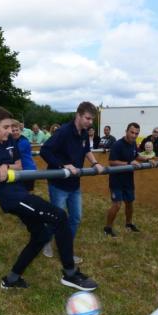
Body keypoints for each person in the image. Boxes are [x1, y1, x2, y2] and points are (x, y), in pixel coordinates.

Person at [0, 106, 98, 291]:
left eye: (11, 127)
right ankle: (70, 274)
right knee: (59, 216)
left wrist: (5, 166)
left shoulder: (10, 142)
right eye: (5, 127)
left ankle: (12, 279)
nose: (10, 131)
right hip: (11, 199)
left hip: (21, 193)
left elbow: (19, 164)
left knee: (42, 235)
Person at [39, 102, 105, 260]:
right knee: (56, 218)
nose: (90, 122)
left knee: (75, 218)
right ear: (78, 115)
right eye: (88, 118)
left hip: (74, 183)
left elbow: (86, 150)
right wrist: (63, 165)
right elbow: (45, 150)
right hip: (58, 183)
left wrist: (95, 163)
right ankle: (46, 241)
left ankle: (65, 248)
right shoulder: (63, 132)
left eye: (92, 120)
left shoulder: (83, 132)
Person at [103, 122, 157, 238]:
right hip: (116, 180)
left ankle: (128, 224)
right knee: (117, 205)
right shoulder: (117, 145)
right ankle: (107, 228)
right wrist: (128, 163)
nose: (134, 135)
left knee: (129, 203)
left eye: (136, 133)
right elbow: (111, 162)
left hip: (128, 179)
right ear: (126, 131)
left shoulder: (133, 144)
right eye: (132, 132)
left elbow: (136, 155)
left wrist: (148, 160)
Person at [12, 121, 37, 192]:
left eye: (17, 130)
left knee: (26, 193)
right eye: (13, 130)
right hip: (19, 170)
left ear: (20, 130)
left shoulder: (24, 141)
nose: (15, 132)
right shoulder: (12, 141)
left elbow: (13, 153)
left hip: (28, 170)